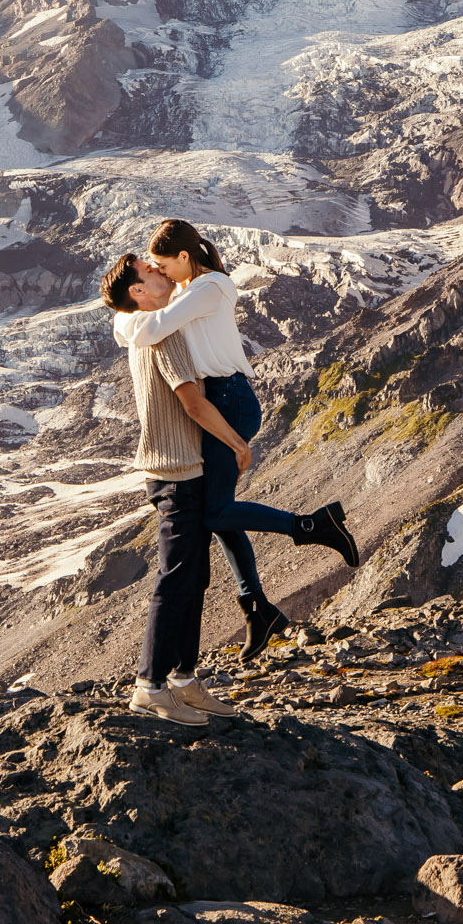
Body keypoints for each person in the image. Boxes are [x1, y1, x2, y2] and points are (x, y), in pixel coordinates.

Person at [108, 218, 359, 662]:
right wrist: (127, 319)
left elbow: (146, 329)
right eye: (155, 269)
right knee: (216, 513)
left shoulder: (210, 288)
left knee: (217, 510)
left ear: (185, 258)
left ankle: (312, 526)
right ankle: (256, 608)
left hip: (229, 401)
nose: (161, 272)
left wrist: (126, 320)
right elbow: (140, 324)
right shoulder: (185, 291)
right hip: (217, 401)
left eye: (163, 264)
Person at [102, 253, 255, 725]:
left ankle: (185, 680)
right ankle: (149, 686)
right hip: (175, 475)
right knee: (175, 580)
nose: (161, 272)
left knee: (194, 578)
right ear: (138, 292)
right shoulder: (160, 334)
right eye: (151, 272)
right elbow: (191, 402)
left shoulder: (148, 327)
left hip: (181, 471)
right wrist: (235, 443)